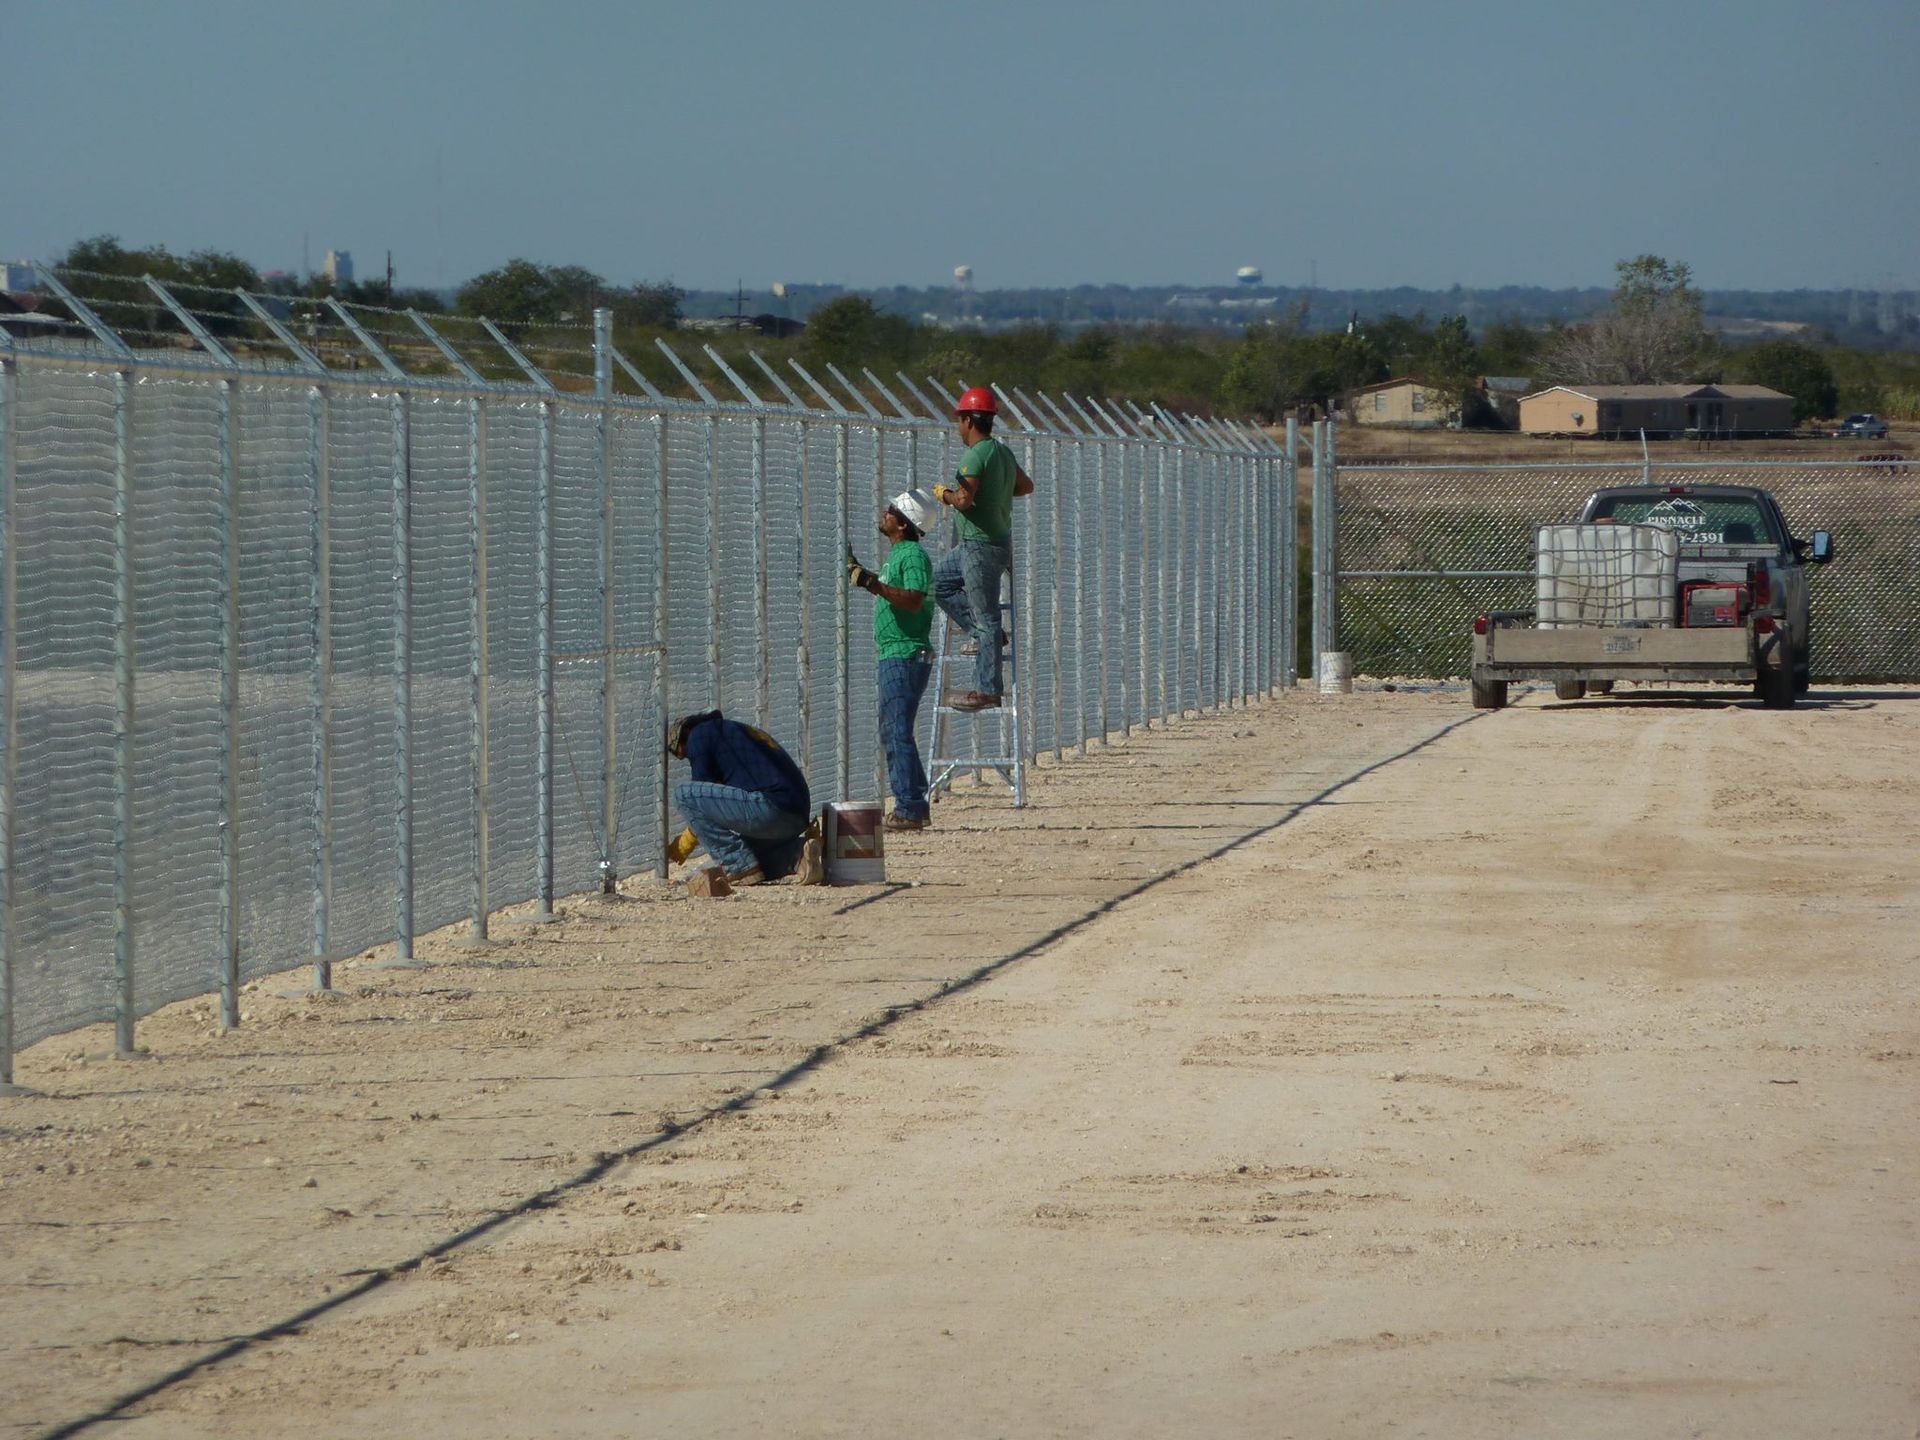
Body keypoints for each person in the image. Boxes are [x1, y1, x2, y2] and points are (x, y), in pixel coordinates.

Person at [931, 386, 1035, 711]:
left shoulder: (975, 455)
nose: (959, 427)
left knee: (987, 616)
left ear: (968, 421)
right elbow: (1026, 485)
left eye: (960, 420)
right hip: (989, 543)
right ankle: (984, 636)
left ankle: (987, 689)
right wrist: (997, 494)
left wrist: (944, 494)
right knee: (936, 584)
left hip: (981, 546)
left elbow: (963, 500)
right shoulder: (1002, 453)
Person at [847, 488, 939, 831]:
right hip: (896, 653)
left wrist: (873, 584)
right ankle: (914, 801)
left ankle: (909, 807)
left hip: (905, 653)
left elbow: (913, 599)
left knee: (897, 730)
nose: (884, 514)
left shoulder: (912, 555)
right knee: (894, 729)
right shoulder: (900, 556)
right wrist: (865, 576)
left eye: (890, 511)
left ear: (903, 523)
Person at [666, 711, 822, 889]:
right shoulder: (731, 733)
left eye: (685, 754)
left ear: (685, 733)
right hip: (796, 818)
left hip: (770, 809)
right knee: (751, 859)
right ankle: (799, 855)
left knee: (683, 794)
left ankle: (738, 866)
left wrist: (685, 842)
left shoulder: (699, 735)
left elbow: (698, 800)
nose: (690, 758)